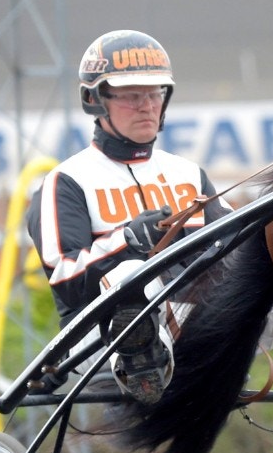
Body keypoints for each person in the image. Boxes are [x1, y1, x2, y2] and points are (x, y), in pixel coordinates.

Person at [27, 29, 229, 404]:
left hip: (195, 328)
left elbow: (232, 256)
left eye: (155, 94)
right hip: (99, 340)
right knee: (131, 275)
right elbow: (64, 279)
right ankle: (147, 366)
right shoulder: (66, 181)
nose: (147, 106)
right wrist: (127, 241)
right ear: (95, 99)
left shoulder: (189, 174)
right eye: (132, 95)